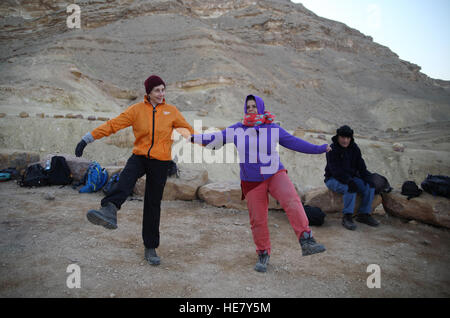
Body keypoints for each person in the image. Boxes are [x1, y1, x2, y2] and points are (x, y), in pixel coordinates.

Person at [191, 95, 330, 273]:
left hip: (274, 173)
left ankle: (306, 240)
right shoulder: (237, 129)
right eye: (248, 106)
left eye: (254, 106)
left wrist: (319, 148)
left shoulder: (273, 128)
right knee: (258, 220)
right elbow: (214, 138)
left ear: (261, 108)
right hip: (251, 180)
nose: (250, 109)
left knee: (292, 200)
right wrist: (191, 137)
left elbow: (295, 143)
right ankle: (263, 254)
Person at [75, 75, 194, 266]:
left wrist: (210, 142)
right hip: (140, 156)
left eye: (163, 90)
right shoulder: (137, 110)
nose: (161, 94)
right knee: (125, 178)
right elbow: (113, 125)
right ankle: (109, 210)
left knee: (153, 204)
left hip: (161, 161)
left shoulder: (172, 112)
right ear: (148, 92)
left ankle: (150, 247)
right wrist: (88, 138)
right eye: (157, 90)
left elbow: (188, 131)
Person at [324, 125, 379, 230]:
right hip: (333, 178)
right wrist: (348, 181)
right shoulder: (332, 149)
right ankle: (347, 217)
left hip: (350, 177)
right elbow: (336, 171)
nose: (345, 140)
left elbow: (361, 166)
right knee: (350, 188)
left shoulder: (354, 148)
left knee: (369, 186)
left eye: (348, 138)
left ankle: (364, 214)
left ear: (351, 138)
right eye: (343, 137)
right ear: (338, 137)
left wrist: (368, 178)